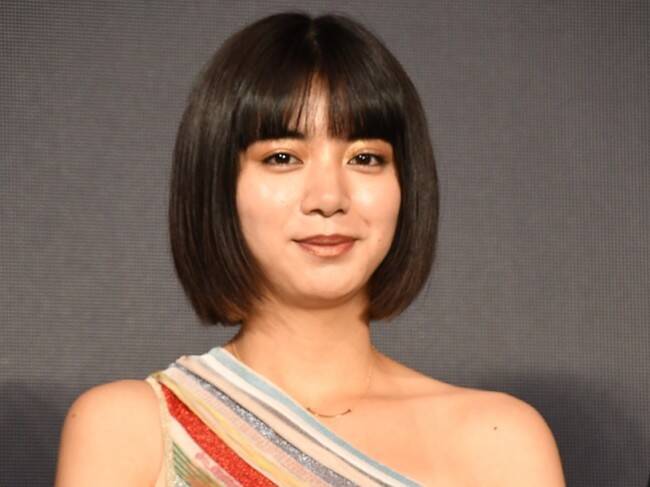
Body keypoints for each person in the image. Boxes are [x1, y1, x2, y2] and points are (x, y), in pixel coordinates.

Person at [54, 12, 565, 487]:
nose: (329, 198)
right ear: (217, 185)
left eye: (365, 158)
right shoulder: (134, 430)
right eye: (282, 157)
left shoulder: (499, 443)